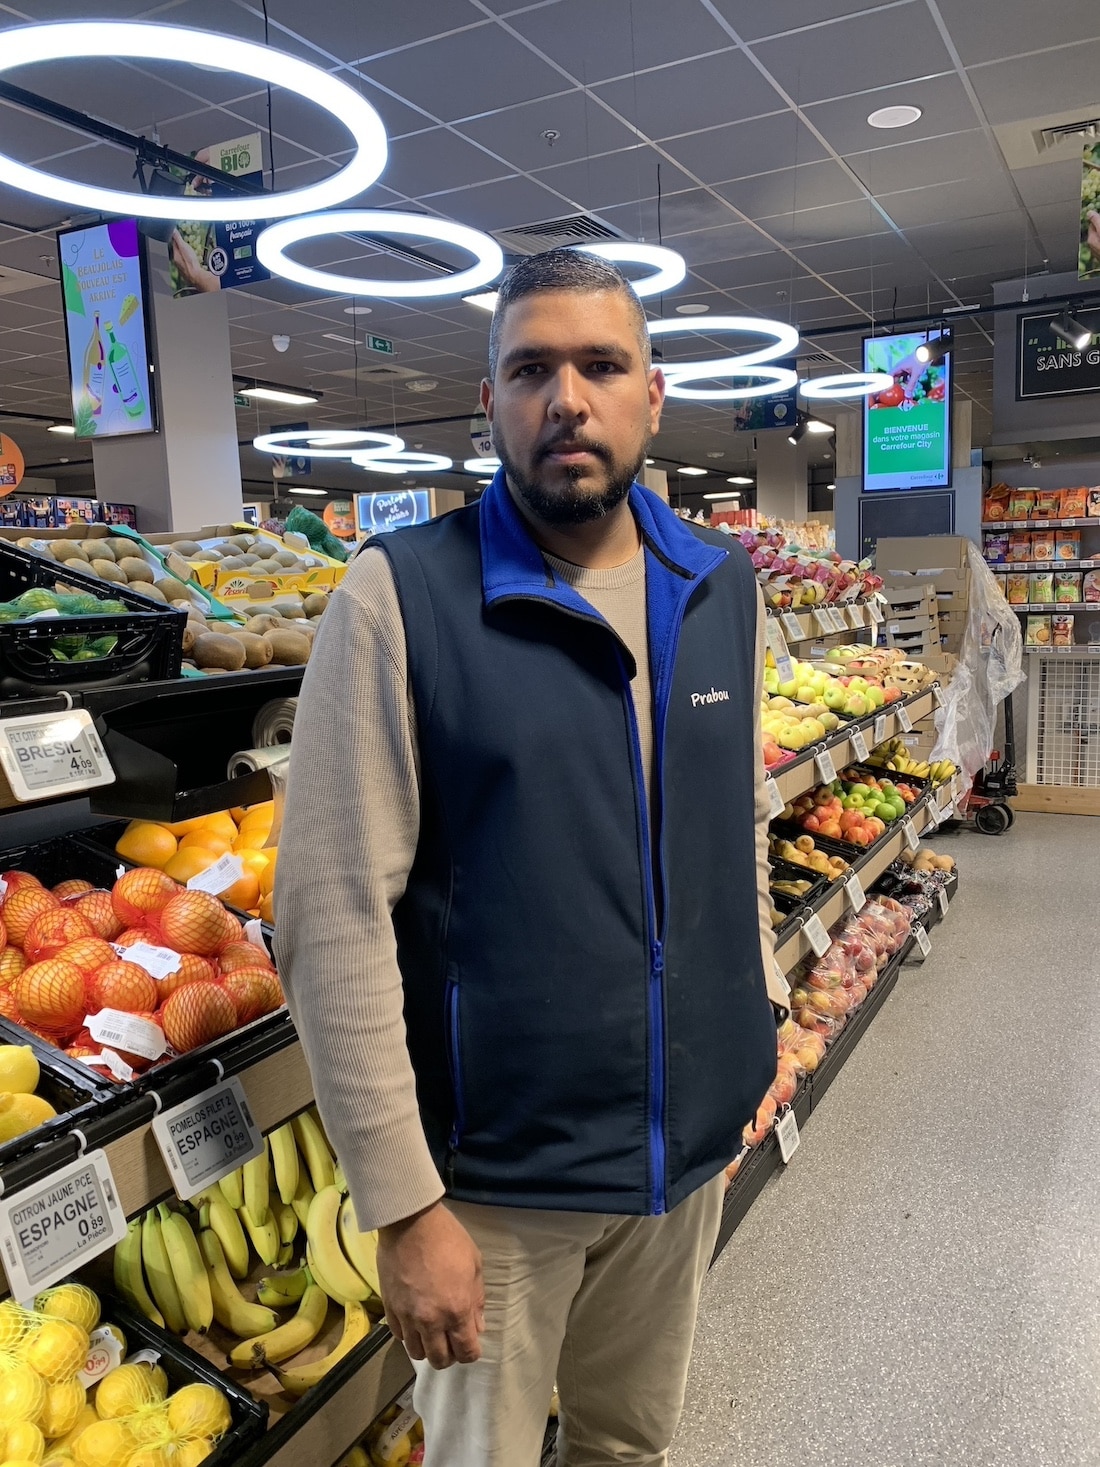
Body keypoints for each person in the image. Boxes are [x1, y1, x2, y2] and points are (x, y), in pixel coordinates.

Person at [275, 249, 785, 1467]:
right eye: (529, 370)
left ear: (650, 396)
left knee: (627, 1446)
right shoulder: (401, 596)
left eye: (600, 365)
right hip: (492, 1186)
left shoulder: (717, 584)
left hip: (676, 1156)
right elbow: (330, 914)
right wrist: (402, 1205)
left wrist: (755, 1007)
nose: (566, 399)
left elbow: (736, 824)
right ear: (489, 402)